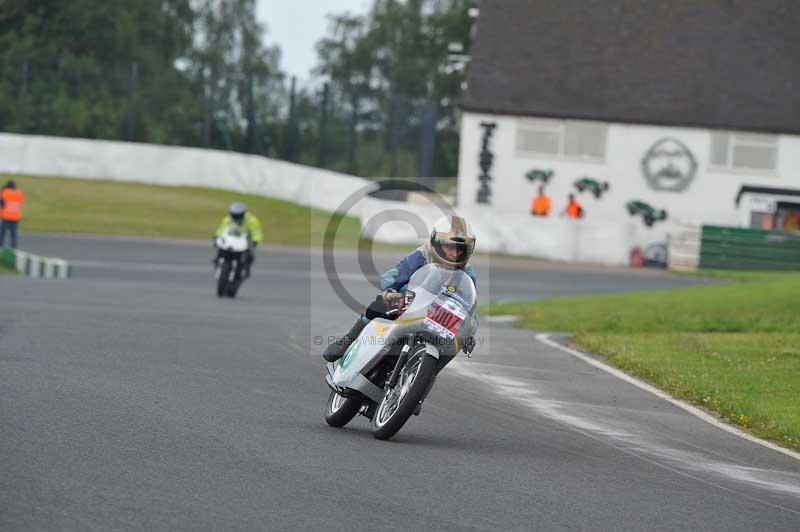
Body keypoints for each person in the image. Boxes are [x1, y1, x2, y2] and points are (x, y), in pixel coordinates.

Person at [323, 215, 479, 363]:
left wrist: (469, 333)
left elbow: (469, 308)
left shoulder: (467, 273)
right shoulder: (422, 255)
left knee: (456, 342)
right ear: (436, 243)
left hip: (439, 316)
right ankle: (348, 341)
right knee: (380, 304)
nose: (454, 254)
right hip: (410, 302)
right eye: (449, 247)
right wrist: (391, 291)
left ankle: (428, 372)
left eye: (460, 249)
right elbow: (393, 276)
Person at [214, 202, 263, 277]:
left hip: (245, 240)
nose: (235, 217)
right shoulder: (228, 219)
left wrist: (255, 241)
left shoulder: (251, 220)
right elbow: (221, 229)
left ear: (243, 213)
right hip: (231, 239)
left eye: (238, 215)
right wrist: (217, 236)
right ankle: (218, 260)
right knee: (221, 247)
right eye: (234, 214)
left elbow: (257, 232)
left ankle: (246, 268)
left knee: (250, 255)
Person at [0, 180, 24, 248]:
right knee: (13, 235)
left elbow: (2, 203)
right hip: (16, 217)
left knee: (2, 234)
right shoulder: (19, 193)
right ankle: (14, 249)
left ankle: (1, 248)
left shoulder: (5, 192)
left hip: (6, 216)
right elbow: (20, 202)